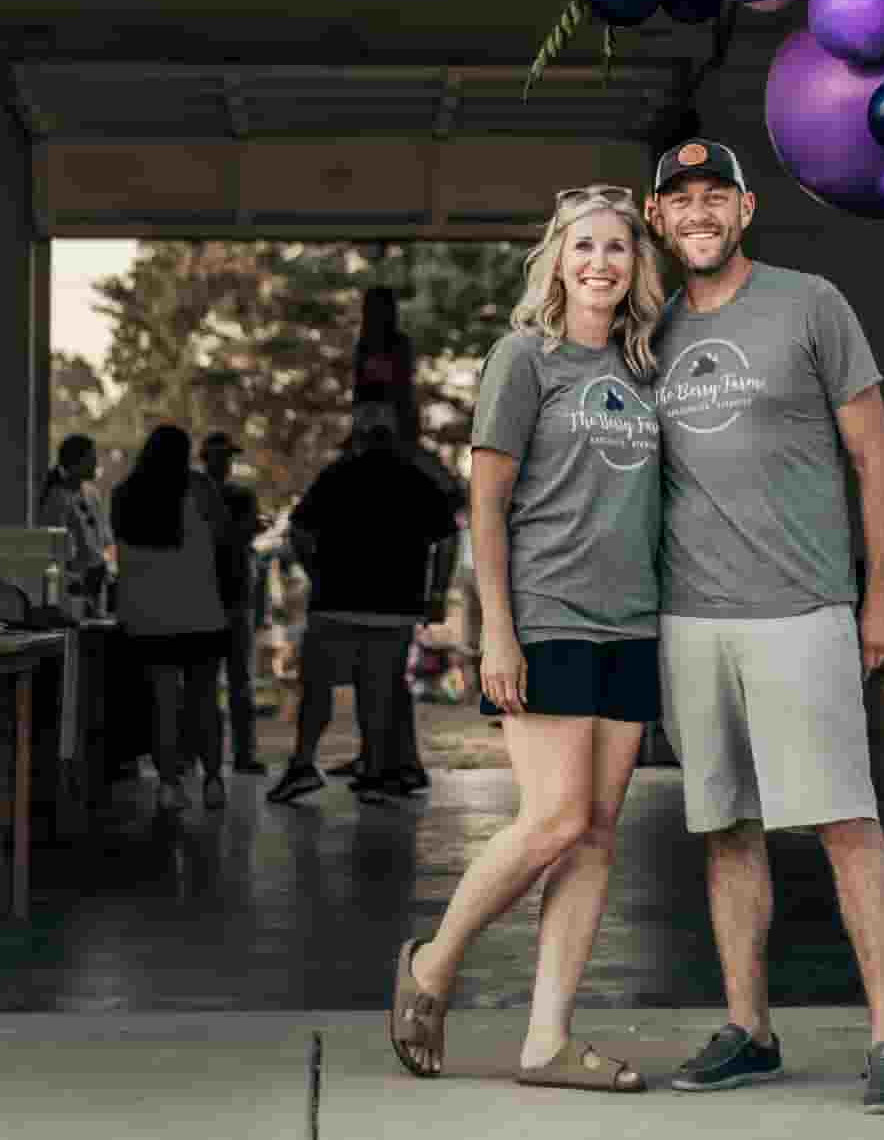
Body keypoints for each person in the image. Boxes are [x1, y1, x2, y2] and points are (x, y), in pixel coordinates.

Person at [643, 138, 884, 1117]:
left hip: (802, 609)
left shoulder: (811, 303)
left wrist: (879, 594)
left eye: (714, 195)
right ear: (657, 220)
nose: (698, 212)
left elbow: (876, 455)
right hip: (691, 620)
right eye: (679, 200)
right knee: (726, 827)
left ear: (745, 209)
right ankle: (748, 1025)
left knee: (847, 821)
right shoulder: (650, 334)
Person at [389, 184, 666, 1091]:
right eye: (583, 246)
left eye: (618, 249)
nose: (600, 263)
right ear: (557, 260)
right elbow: (487, 502)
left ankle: (547, 1040)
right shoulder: (524, 359)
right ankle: (432, 965)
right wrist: (494, 631)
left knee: (594, 834)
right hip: (545, 615)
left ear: (636, 265)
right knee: (552, 816)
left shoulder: (645, 367)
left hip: (632, 623)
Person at [269, 402, 454, 807]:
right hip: (394, 606)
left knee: (316, 688)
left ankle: (302, 764)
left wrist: (315, 568)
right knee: (378, 691)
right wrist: (436, 592)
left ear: (359, 440)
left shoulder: (338, 476)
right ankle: (373, 772)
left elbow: (298, 529)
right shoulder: (416, 480)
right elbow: (447, 537)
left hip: (335, 599)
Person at [112, 423, 235, 814]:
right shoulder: (200, 490)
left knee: (164, 703)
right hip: (201, 614)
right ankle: (213, 781)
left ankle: (169, 785)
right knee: (204, 702)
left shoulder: (123, 495)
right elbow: (226, 539)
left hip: (149, 619)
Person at [200, 431, 268, 775]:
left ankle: (202, 756)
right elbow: (239, 534)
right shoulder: (240, 496)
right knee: (238, 682)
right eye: (223, 457)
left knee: (207, 683)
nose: (225, 463)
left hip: (208, 598)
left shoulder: (193, 497)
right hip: (234, 597)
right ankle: (243, 755)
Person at [40, 432, 114, 606]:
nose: (96, 463)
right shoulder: (57, 499)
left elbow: (102, 541)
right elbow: (54, 551)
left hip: (97, 582)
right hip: (74, 586)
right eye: (91, 458)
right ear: (75, 463)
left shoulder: (91, 495)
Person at [353, 284, 420, 445]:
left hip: (394, 413)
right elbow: (360, 387)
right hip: (369, 413)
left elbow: (403, 385)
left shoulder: (400, 343)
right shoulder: (364, 345)